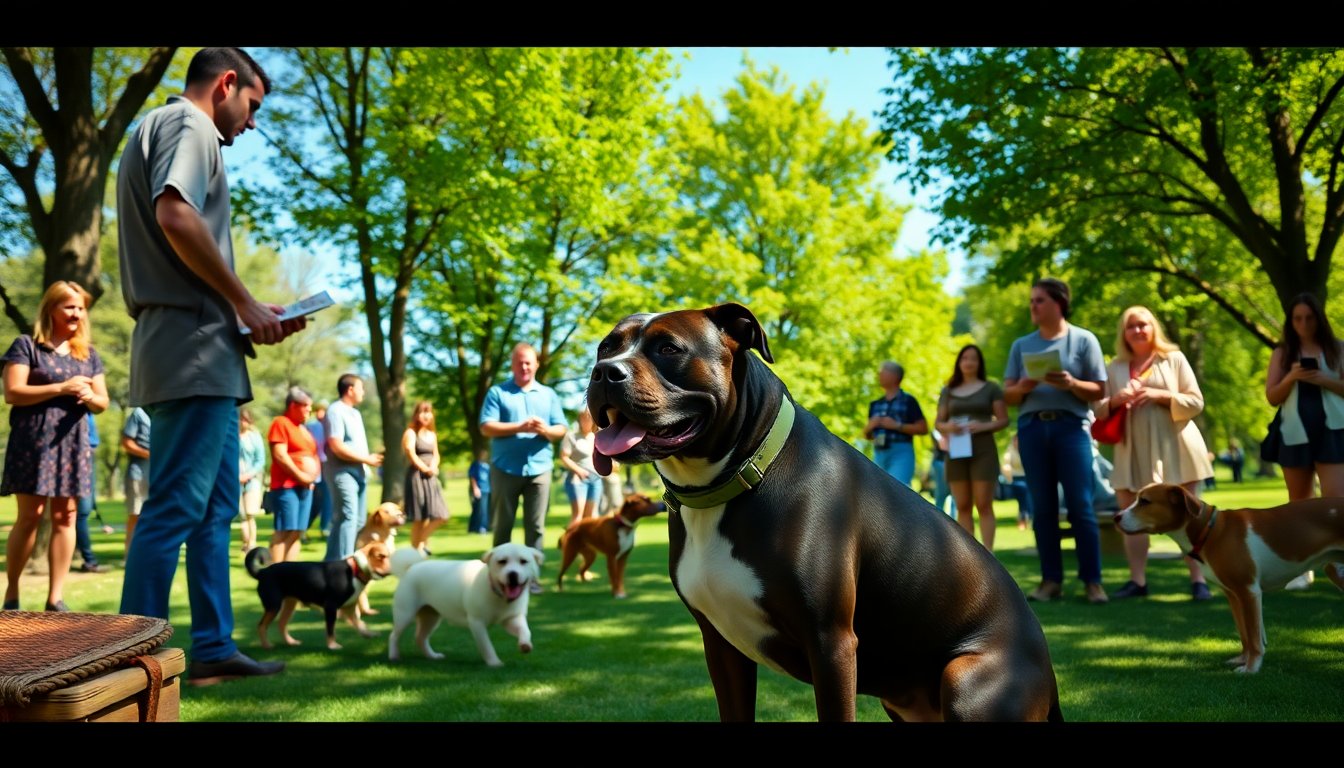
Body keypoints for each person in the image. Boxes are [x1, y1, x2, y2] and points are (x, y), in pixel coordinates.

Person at [116, 48, 304, 682]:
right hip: (190, 347)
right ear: (227, 84)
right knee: (174, 507)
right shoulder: (189, 125)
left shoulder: (157, 128)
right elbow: (175, 214)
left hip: (202, 346)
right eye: (252, 106)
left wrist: (248, 312)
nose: (251, 123)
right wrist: (242, 301)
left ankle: (214, 647)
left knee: (214, 510)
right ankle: (128, 659)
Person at [2, 281, 110, 612]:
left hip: (72, 444)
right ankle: (12, 593)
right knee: (30, 516)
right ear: (51, 308)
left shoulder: (88, 354)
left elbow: (102, 402)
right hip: (33, 442)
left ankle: (55, 598)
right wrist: (62, 387)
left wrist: (90, 396)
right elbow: (13, 392)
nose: (77, 313)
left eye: (81, 308)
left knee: (67, 515)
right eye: (69, 306)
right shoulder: (27, 346)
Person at [1095, 306, 1214, 601]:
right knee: (1130, 516)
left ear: (1153, 328)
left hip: (1176, 447)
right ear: (1123, 333)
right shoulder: (1115, 368)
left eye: (1143, 324)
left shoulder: (1173, 359)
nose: (1137, 330)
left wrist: (1161, 396)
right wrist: (1116, 399)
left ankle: (1199, 580)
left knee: (1190, 516)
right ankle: (1137, 581)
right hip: (1131, 452)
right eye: (1131, 326)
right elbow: (1097, 409)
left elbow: (1196, 402)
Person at [1003, 277, 1109, 604]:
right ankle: (1051, 581)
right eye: (1031, 300)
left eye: (1039, 300)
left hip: (1071, 429)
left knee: (1081, 505)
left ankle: (1093, 582)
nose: (1033, 306)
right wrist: (1023, 387)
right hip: (1032, 429)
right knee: (1043, 507)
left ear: (1059, 303)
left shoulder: (1084, 340)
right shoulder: (1021, 345)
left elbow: (1100, 390)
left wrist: (1071, 383)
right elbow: (1007, 395)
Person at [1262, 292, 1344, 590]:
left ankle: (1338, 560)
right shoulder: (1283, 353)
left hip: (1333, 430)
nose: (1304, 324)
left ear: (1319, 319)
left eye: (1309, 318)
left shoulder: (1337, 348)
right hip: (1295, 432)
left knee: (1336, 501)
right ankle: (1301, 568)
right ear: (1291, 321)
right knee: (1299, 503)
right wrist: (1292, 377)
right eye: (1297, 318)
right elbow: (1272, 397)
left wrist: (1323, 379)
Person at [479, 342, 566, 594]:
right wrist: (520, 427)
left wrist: (545, 430)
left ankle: (532, 580)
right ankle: (496, 580)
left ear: (536, 364)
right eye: (519, 363)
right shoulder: (498, 392)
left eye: (528, 362)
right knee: (502, 525)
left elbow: (561, 429)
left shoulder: (548, 394)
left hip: (540, 469)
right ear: (512, 365)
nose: (524, 367)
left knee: (536, 527)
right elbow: (486, 426)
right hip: (504, 468)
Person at [935, 343, 1009, 551]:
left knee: (984, 504)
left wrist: (983, 426)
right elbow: (938, 423)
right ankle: (970, 557)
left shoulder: (991, 388)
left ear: (980, 363)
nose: (969, 362)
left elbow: (1003, 420)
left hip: (983, 450)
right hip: (957, 451)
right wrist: (948, 427)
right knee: (963, 505)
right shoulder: (948, 391)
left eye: (973, 358)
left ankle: (989, 554)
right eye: (965, 358)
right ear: (959, 362)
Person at [322, 373, 384, 563]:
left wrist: (366, 462)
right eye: (361, 388)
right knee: (347, 517)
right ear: (350, 390)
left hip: (359, 472)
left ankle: (331, 565)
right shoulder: (335, 411)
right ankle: (344, 564)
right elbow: (336, 445)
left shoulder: (355, 413)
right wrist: (366, 459)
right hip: (342, 472)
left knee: (358, 520)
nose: (363, 392)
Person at [267, 388, 318, 563]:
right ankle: (275, 573)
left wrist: (310, 479)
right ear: (293, 405)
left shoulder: (303, 429)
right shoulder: (281, 423)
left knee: (297, 532)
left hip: (305, 488)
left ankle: (289, 572)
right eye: (306, 406)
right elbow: (280, 455)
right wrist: (301, 476)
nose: (309, 410)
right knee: (284, 530)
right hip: (286, 486)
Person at [863, 361, 929, 486]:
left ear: (895, 376)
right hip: (879, 451)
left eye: (883, 371)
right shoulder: (876, 404)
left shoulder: (908, 401)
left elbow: (923, 428)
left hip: (901, 451)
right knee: (878, 489)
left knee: (898, 487)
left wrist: (897, 426)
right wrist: (870, 427)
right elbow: (867, 435)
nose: (879, 375)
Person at [403, 401, 449, 553]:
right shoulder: (411, 433)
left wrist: (433, 467)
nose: (425, 415)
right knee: (419, 518)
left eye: (428, 412)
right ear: (416, 415)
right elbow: (410, 452)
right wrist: (424, 468)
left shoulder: (432, 435)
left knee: (441, 515)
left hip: (431, 477)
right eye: (422, 411)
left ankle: (419, 545)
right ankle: (417, 551)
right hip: (417, 477)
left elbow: (436, 454)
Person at [74, 412, 110, 573]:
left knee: (84, 510)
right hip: (80, 453)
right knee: (81, 512)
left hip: (88, 453)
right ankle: (89, 560)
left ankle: (85, 557)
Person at [560, 408, 603, 526]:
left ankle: (588, 538)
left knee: (592, 517)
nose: (586, 421)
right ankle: (570, 537)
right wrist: (578, 470)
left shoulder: (597, 436)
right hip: (577, 479)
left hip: (596, 479)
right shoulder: (571, 436)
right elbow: (564, 457)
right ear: (579, 419)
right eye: (584, 418)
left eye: (589, 419)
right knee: (578, 517)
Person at [120, 405, 151, 555]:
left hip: (160, 473)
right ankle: (130, 556)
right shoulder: (139, 413)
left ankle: (149, 555)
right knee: (136, 515)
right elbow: (127, 442)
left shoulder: (168, 412)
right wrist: (149, 454)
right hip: (138, 473)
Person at [237, 407, 266, 554]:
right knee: (242, 514)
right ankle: (245, 543)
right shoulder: (232, 436)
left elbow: (260, 460)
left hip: (252, 480)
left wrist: (248, 475)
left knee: (250, 513)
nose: (243, 423)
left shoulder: (254, 437)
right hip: (235, 480)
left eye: (245, 420)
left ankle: (252, 543)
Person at [305, 402, 332, 539]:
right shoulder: (311, 426)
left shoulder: (331, 425)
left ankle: (325, 527)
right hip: (314, 466)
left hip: (327, 465)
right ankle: (303, 527)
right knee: (313, 499)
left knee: (327, 499)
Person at [1000, 432, 1032, 531]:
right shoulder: (1010, 452)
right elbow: (1006, 465)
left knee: (1028, 500)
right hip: (1016, 479)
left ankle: (1027, 519)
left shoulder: (1027, 450)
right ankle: (1024, 519)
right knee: (1024, 500)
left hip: (1028, 478)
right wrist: (1008, 474)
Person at [467, 448, 491, 534]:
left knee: (485, 509)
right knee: (479, 510)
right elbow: (472, 477)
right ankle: (479, 527)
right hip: (479, 489)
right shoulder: (476, 465)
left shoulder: (487, 465)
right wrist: (475, 488)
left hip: (487, 489)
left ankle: (484, 526)